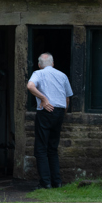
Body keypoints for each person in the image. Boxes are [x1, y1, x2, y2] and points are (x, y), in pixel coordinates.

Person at [27, 53, 73, 189]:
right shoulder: (62, 75)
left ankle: (45, 182)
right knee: (52, 148)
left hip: (46, 111)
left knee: (41, 148)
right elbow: (67, 98)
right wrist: (61, 114)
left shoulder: (38, 73)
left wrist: (44, 98)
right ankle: (57, 182)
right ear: (53, 63)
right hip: (59, 111)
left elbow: (30, 86)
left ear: (39, 64)